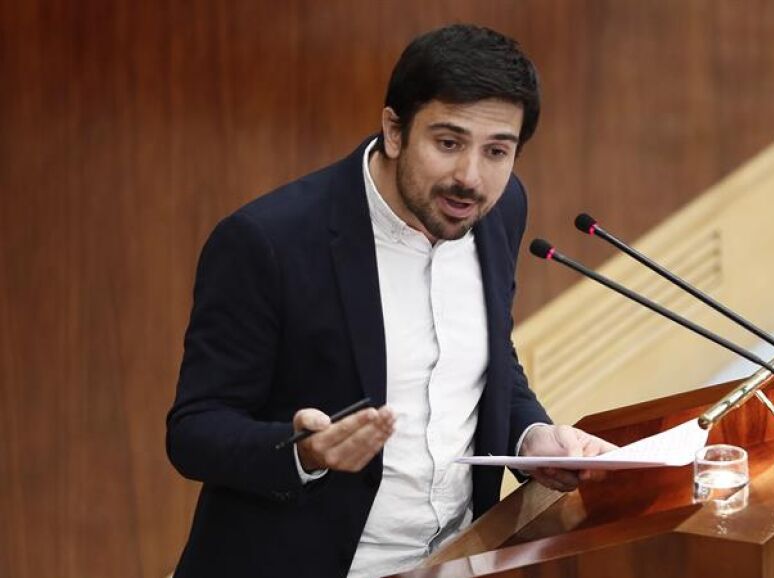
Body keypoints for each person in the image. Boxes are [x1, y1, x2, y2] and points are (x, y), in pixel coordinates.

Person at [166, 24, 615, 578]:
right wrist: (302, 451)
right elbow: (194, 430)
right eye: (448, 143)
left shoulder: (500, 209)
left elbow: (487, 362)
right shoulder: (268, 242)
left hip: (456, 559)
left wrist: (532, 438)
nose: (470, 178)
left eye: (497, 151)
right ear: (394, 130)